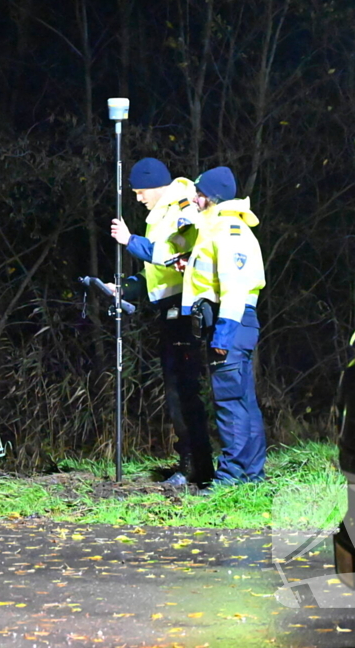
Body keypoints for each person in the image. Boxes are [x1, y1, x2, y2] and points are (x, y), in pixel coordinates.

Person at [109, 157, 214, 487]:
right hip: (168, 311)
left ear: (156, 186)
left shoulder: (182, 209)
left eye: (141, 192)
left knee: (183, 391)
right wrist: (125, 287)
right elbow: (156, 272)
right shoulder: (159, 216)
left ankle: (196, 468)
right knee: (175, 390)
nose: (138, 198)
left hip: (184, 311)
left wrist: (131, 241)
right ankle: (189, 463)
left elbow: (177, 255)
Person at [182, 166, 267, 486]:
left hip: (230, 321)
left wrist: (223, 335)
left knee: (230, 402)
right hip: (235, 322)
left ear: (211, 197)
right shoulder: (221, 228)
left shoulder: (229, 230)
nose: (194, 198)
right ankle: (252, 475)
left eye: (199, 193)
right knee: (243, 401)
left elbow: (234, 287)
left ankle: (230, 477)